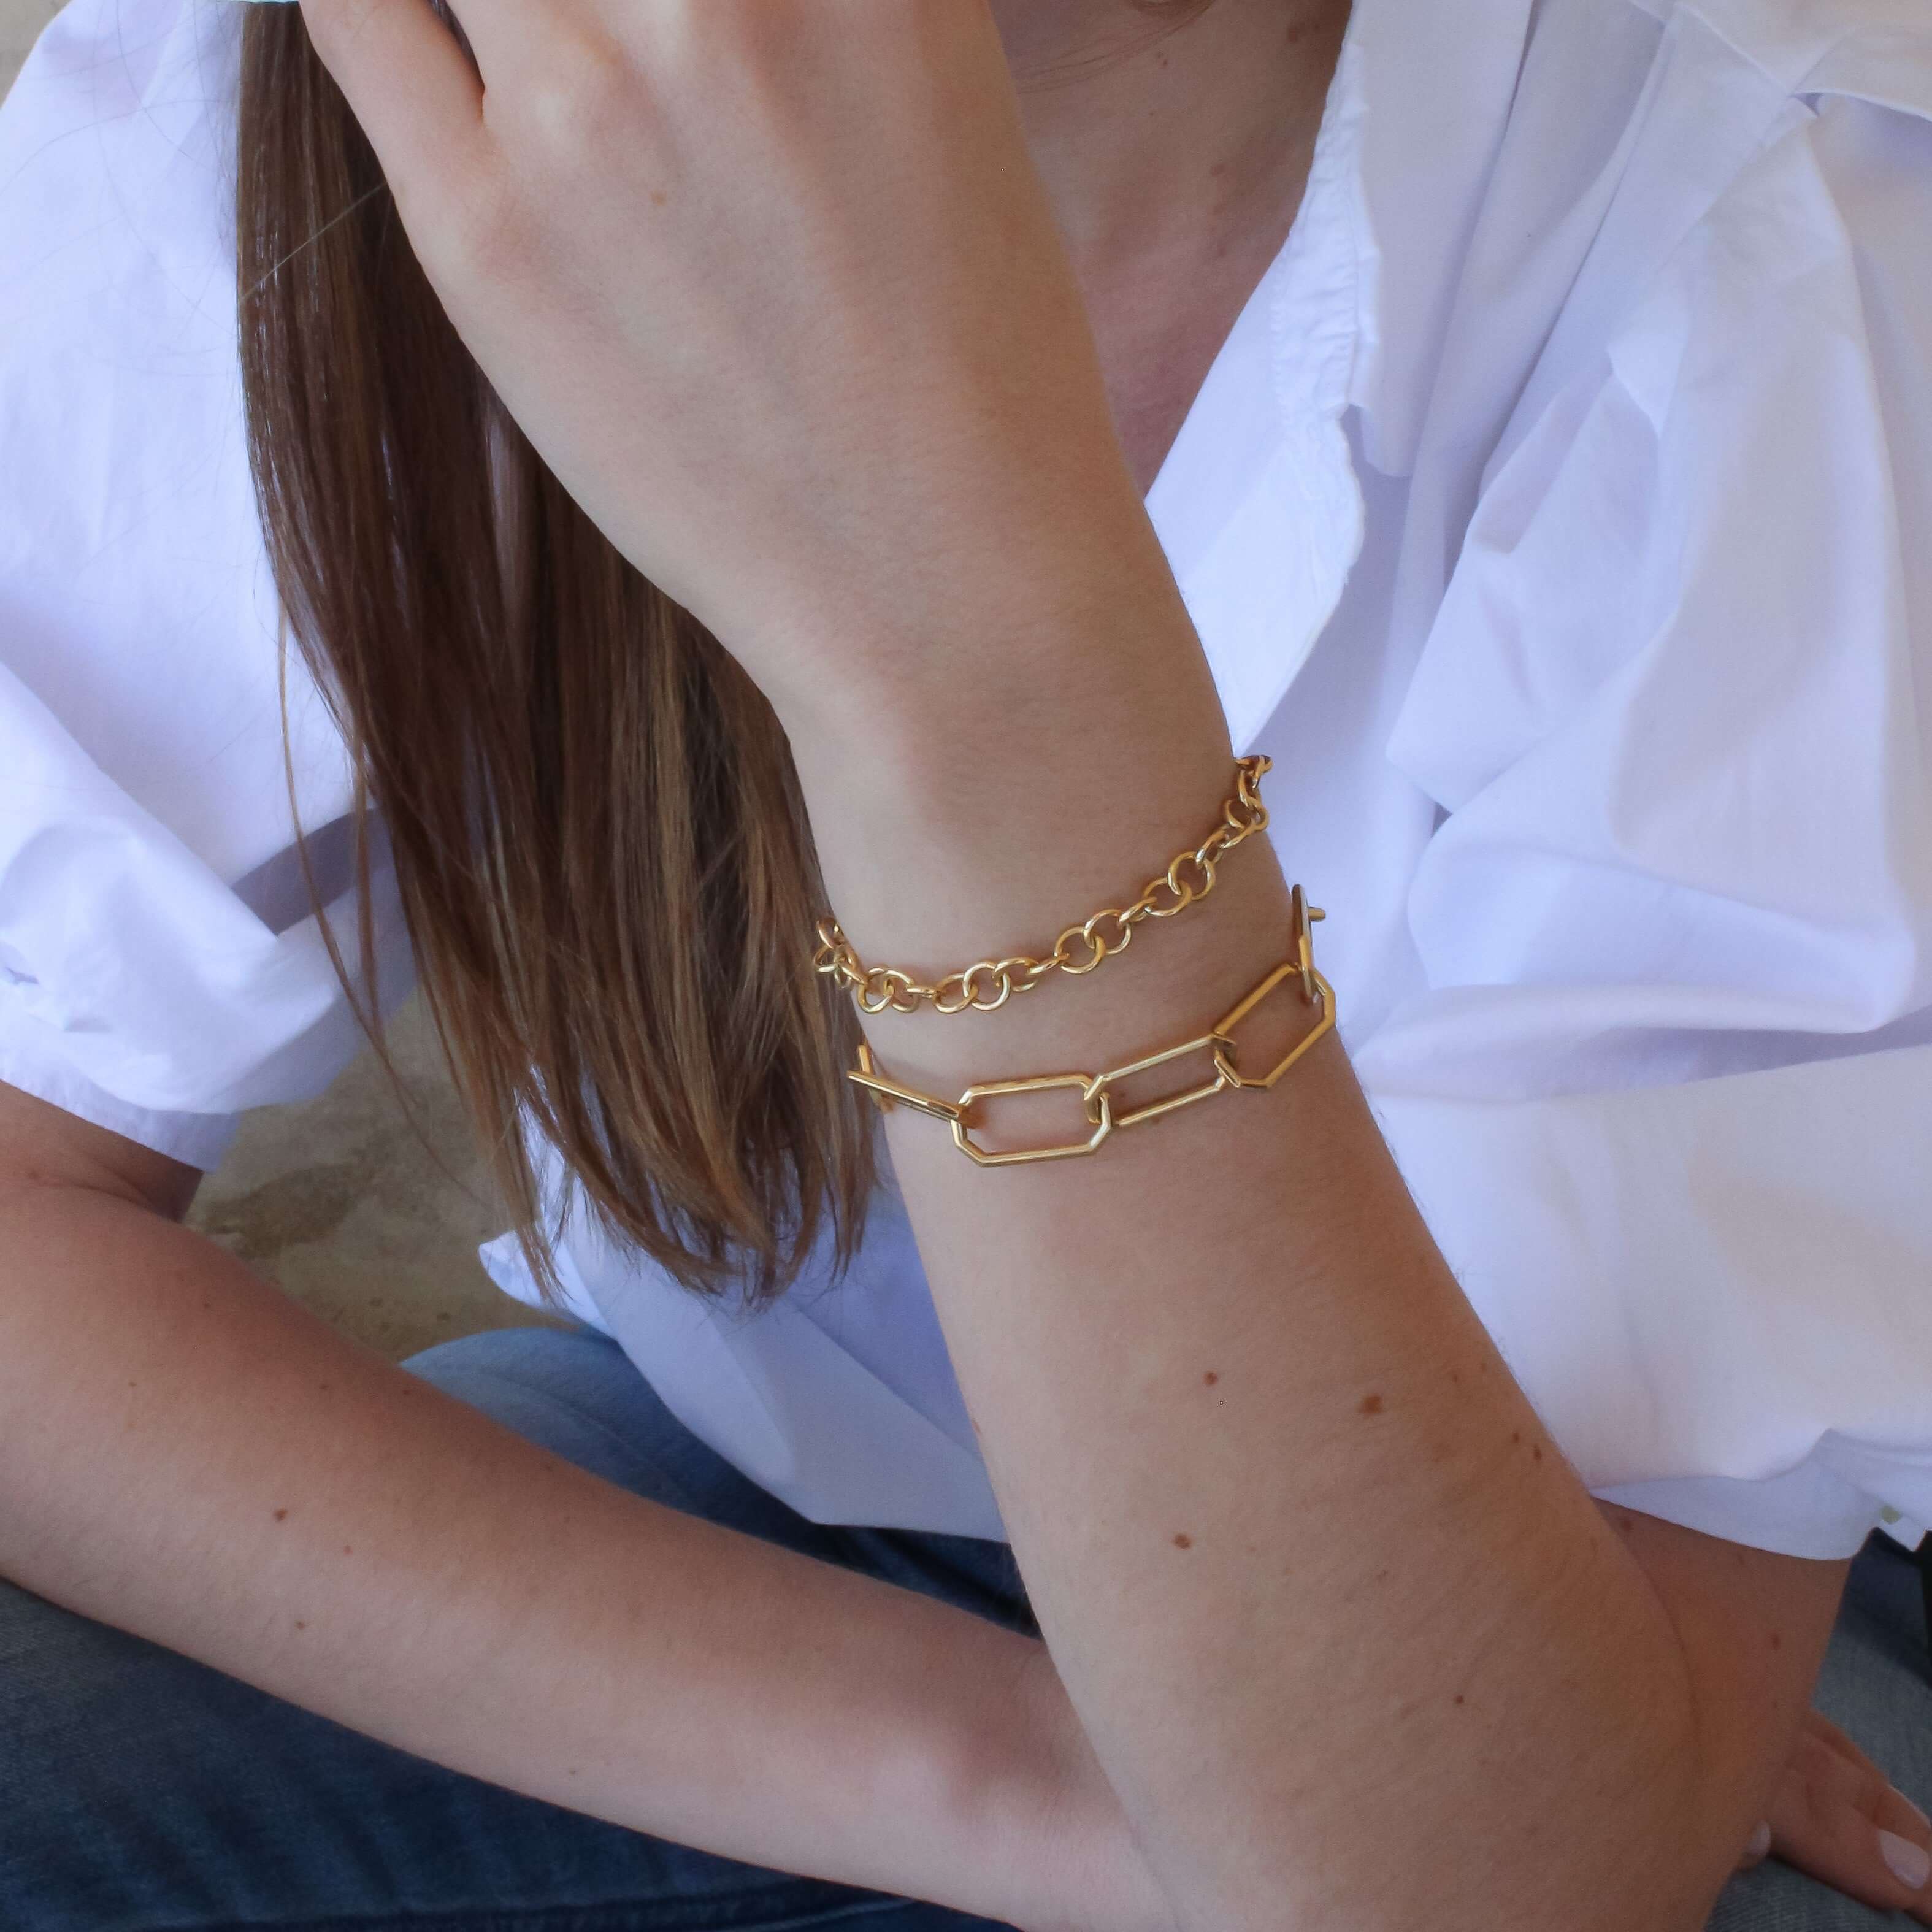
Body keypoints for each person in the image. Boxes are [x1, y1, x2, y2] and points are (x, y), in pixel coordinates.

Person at [1, 0, 1930, 1924]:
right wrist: (1013, 1783)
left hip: (1544, 1601)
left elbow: (1465, 1867)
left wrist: (970, 648)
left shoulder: (1775, 214)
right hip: (782, 1494)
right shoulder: (316, 89)